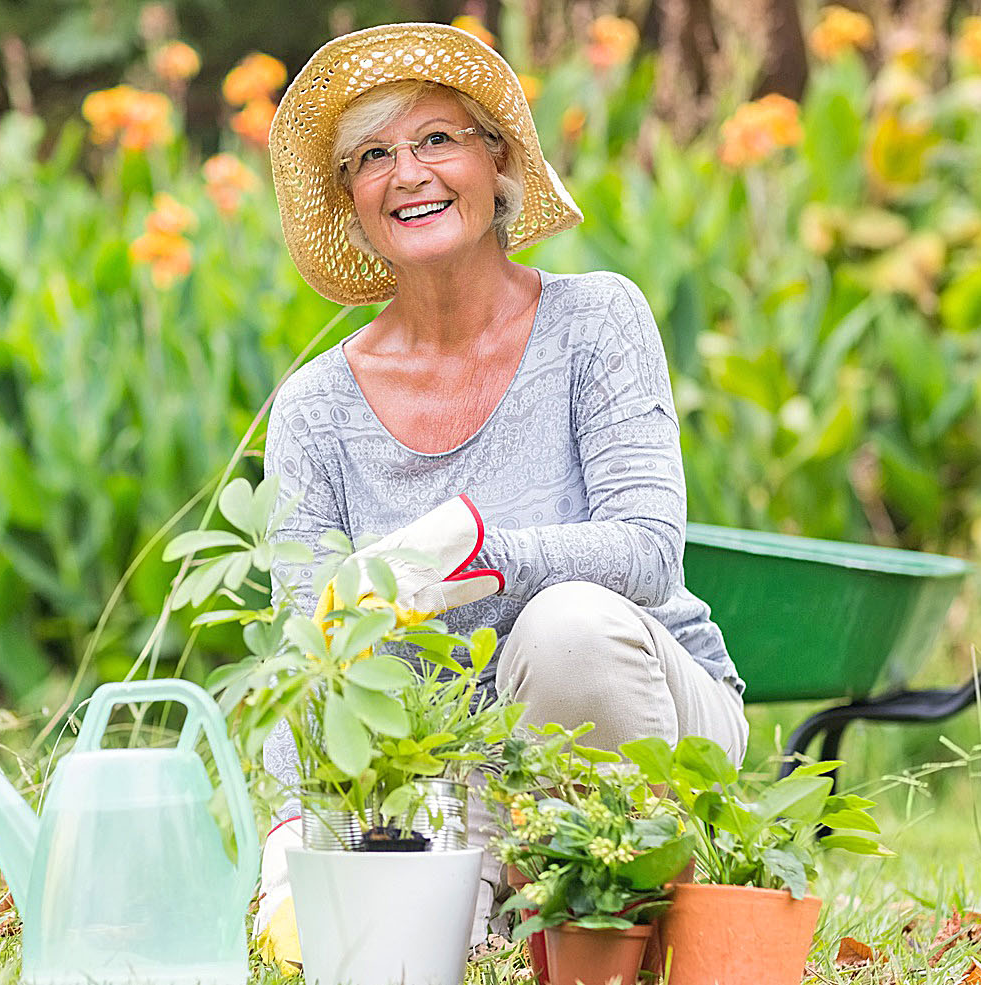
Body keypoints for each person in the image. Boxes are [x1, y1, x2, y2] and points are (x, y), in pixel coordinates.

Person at [250, 22, 749, 964]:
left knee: (565, 625)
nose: (409, 174)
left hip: (638, 710)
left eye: (438, 139)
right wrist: (290, 827)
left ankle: (604, 895)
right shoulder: (314, 408)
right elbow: (306, 647)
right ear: (350, 203)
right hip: (432, 769)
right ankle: (500, 891)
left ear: (498, 163)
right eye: (371, 157)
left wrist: (463, 558)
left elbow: (646, 549)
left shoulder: (595, 319)